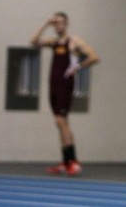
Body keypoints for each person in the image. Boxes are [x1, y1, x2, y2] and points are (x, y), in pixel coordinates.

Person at [30, 12, 100, 176]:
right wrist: (46, 23)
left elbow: (94, 57)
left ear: (67, 23)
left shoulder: (74, 41)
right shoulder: (53, 42)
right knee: (61, 122)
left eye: (61, 22)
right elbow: (33, 42)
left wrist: (77, 67)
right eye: (56, 22)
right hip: (53, 85)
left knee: (60, 121)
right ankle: (65, 162)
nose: (59, 24)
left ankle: (73, 161)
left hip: (65, 85)